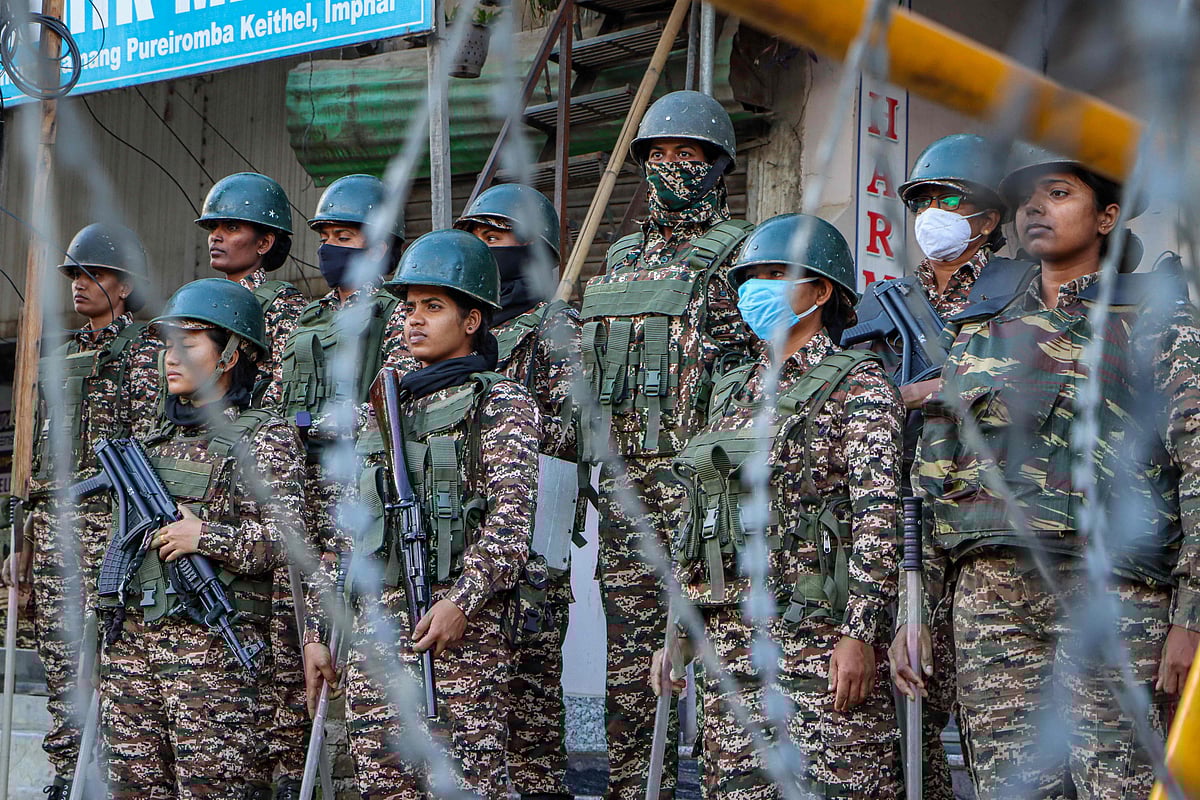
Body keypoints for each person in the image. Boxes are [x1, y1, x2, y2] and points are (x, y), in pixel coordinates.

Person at [892, 145, 1200, 799]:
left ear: (1108, 216)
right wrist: (914, 614)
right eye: (1029, 197)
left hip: (1114, 597)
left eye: (1058, 193)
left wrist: (1192, 615)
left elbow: (1198, 464)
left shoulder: (1159, 320)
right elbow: (935, 478)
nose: (1036, 208)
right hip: (991, 601)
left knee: (1118, 786)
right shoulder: (986, 333)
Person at [651, 213, 904, 798]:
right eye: (749, 277)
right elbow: (701, 520)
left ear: (819, 291)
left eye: (773, 274)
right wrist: (680, 634)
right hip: (731, 642)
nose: (754, 289)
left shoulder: (857, 384)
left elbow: (878, 517)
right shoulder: (733, 390)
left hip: (817, 640)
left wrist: (859, 634)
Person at [303, 229, 541, 800]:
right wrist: (317, 632)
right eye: (409, 307)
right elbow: (344, 533)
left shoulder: (500, 403)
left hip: (459, 642)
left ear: (472, 320)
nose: (413, 320)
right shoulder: (381, 409)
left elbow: (510, 523)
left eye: (433, 307)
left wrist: (461, 599)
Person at [577, 89, 756, 800]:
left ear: (717, 168)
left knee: (715, 662)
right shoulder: (619, 256)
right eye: (658, 154)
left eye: (689, 155)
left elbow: (752, 375)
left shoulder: (741, 254)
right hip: (627, 494)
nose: (671, 166)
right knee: (628, 669)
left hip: (706, 494)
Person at [98, 278, 307, 798]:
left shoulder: (263, 437)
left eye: (188, 343)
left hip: (214, 660)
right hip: (134, 646)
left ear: (231, 354)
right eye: (169, 343)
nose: (171, 357)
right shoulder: (150, 441)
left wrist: (206, 536)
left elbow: (290, 541)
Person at [868, 133, 1025, 800]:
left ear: (988, 219)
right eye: (923, 200)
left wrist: (928, 391)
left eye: (948, 198)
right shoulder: (885, 302)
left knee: (1002, 720)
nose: (932, 211)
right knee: (905, 708)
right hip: (904, 520)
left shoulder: (1023, 289)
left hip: (997, 525)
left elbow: (1040, 376)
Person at [258, 174, 407, 799]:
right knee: (289, 664)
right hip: (302, 505)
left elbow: (396, 405)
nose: (330, 249)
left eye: (345, 236)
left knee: (354, 670)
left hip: (362, 507)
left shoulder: (400, 315)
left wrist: (319, 424)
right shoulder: (306, 320)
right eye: (325, 237)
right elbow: (271, 410)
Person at [2, 224, 161, 799]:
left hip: (110, 533)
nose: (80, 285)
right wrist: (17, 539)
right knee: (61, 664)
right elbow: (36, 458)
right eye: (74, 275)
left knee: (113, 666)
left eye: (94, 274)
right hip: (50, 532)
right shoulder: (60, 358)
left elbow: (149, 450)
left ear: (124, 286)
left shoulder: (149, 351)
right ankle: (66, 777)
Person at [454, 183, 581, 800]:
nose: (484, 247)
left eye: (497, 236)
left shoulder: (557, 330)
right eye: (475, 236)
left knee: (528, 714)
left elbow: (575, 431)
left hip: (529, 541)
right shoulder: (460, 329)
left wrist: (506, 416)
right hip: (458, 541)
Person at [196, 171, 307, 409]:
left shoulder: (282, 304)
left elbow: (286, 386)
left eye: (232, 227)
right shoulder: (204, 304)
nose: (216, 236)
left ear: (264, 243)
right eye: (213, 227)